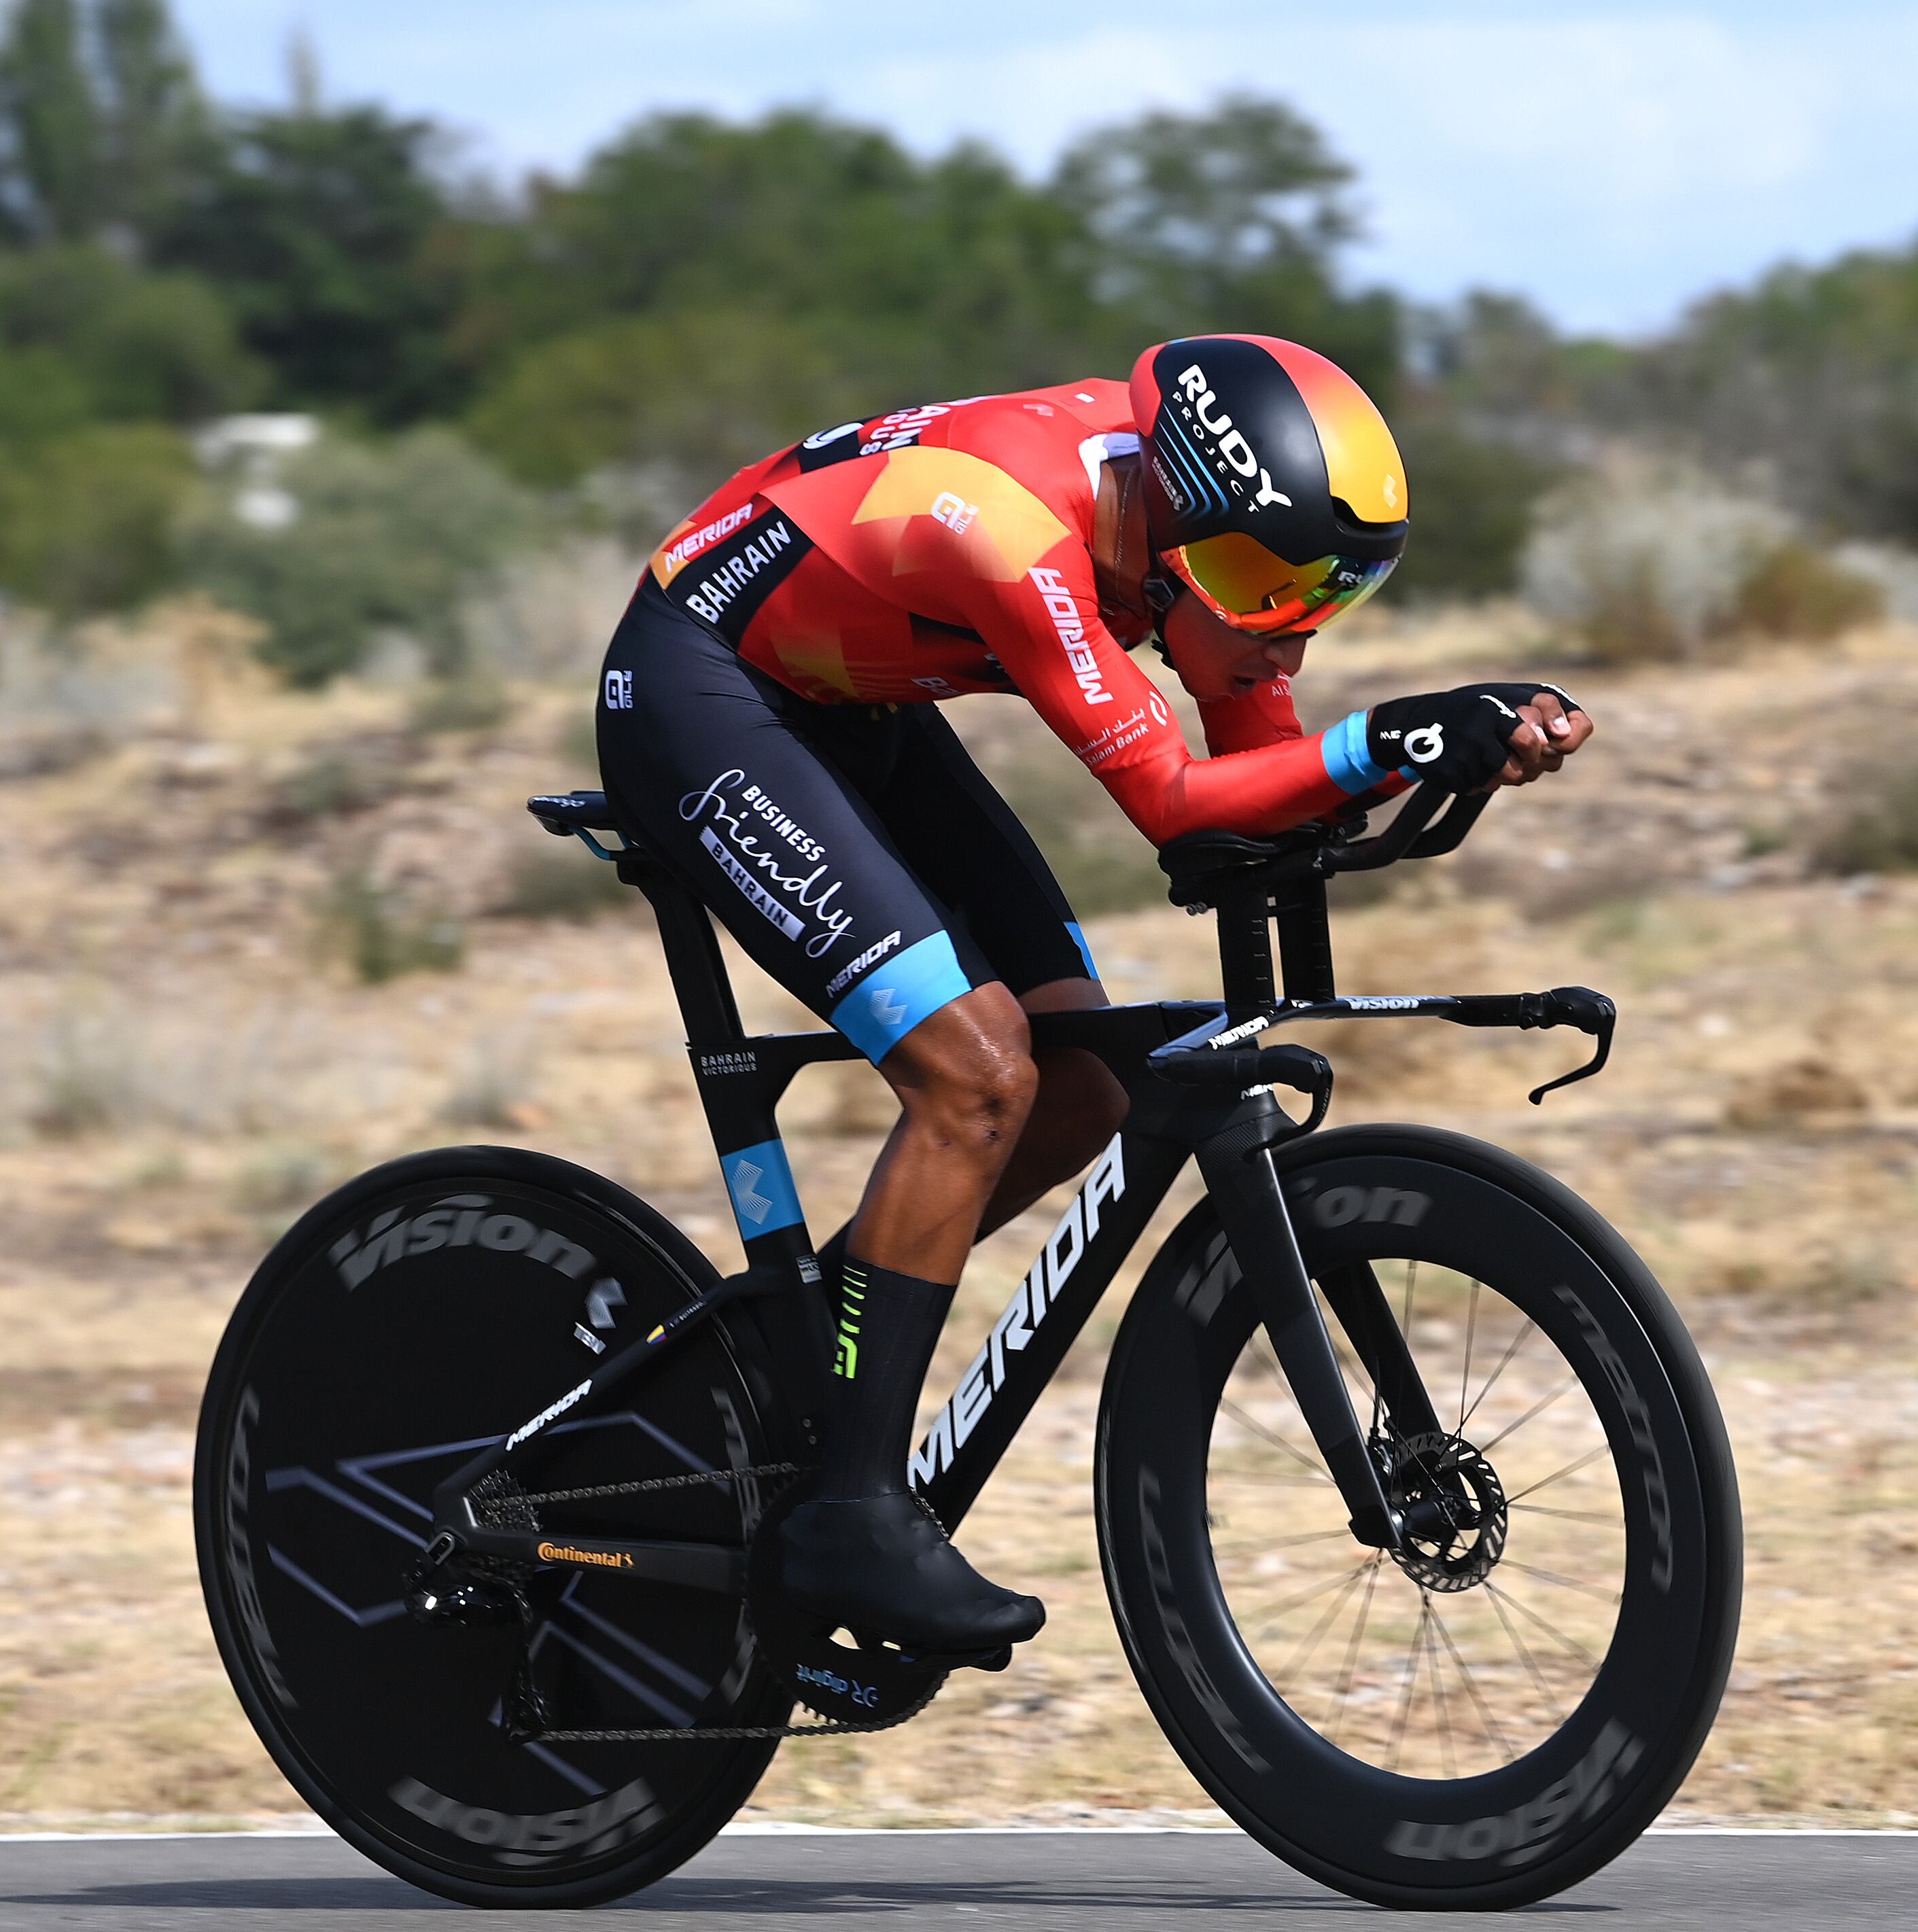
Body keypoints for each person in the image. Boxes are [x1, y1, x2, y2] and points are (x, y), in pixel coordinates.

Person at [595, 334, 1592, 1657]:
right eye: (1250, 578)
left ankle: (805, 1370)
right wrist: (1390, 737)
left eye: (1307, 595)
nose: (1268, 620)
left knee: (1080, 1091)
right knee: (975, 1072)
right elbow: (1178, 811)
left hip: (846, 704)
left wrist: (1453, 741)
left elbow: (1259, 766)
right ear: (1171, 511)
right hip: (699, 690)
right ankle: (846, 1509)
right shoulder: (1011, 527)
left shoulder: (1193, 536)